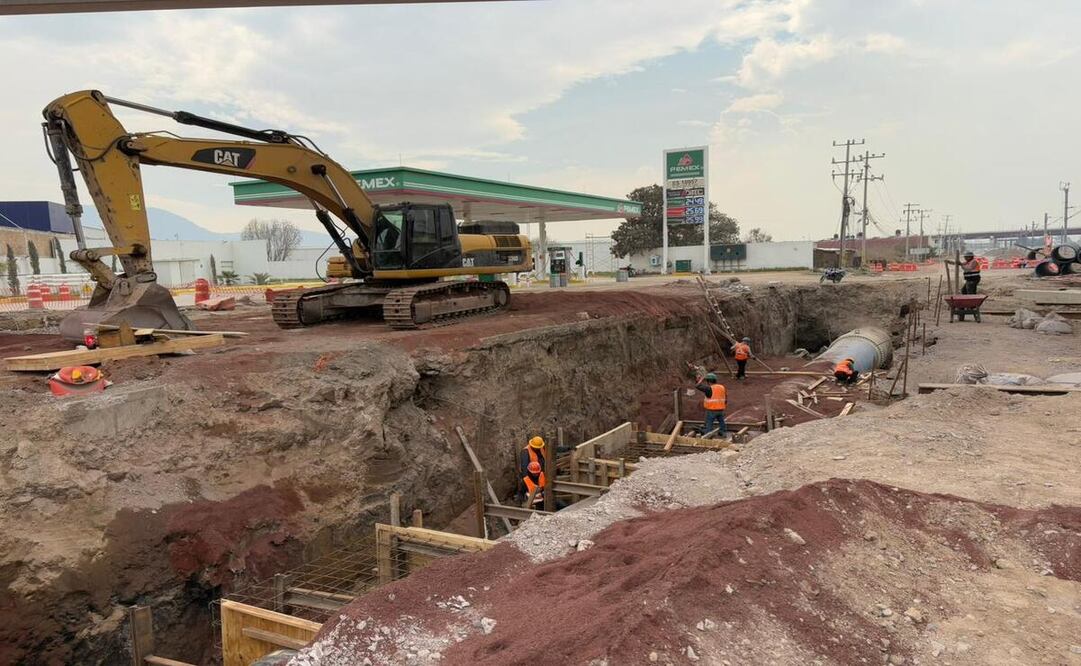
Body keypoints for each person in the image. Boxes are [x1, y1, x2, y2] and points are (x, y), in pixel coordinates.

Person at [693, 372, 727, 437]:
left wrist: (699, 380)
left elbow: (697, 386)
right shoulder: (722, 387)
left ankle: (708, 433)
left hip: (712, 410)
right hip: (720, 409)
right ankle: (723, 432)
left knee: (709, 423)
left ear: (708, 381)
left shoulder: (709, 388)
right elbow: (725, 398)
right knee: (721, 422)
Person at [519, 436, 547, 508]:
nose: (538, 449)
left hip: (539, 474)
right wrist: (528, 482)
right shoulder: (525, 452)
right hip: (530, 475)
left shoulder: (541, 448)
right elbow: (524, 470)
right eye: (536, 448)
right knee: (527, 491)